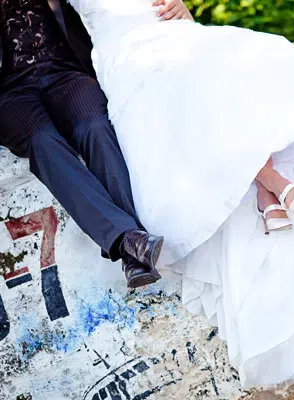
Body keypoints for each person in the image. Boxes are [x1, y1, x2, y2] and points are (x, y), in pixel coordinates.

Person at [72, 0, 294, 388]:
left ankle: (268, 188)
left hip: (172, 34)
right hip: (125, 60)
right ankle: (270, 182)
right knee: (185, 95)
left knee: (243, 65)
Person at [0, 0, 190, 288]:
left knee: (96, 126)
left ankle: (130, 247)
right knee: (42, 141)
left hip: (65, 70)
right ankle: (129, 242)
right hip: (10, 92)